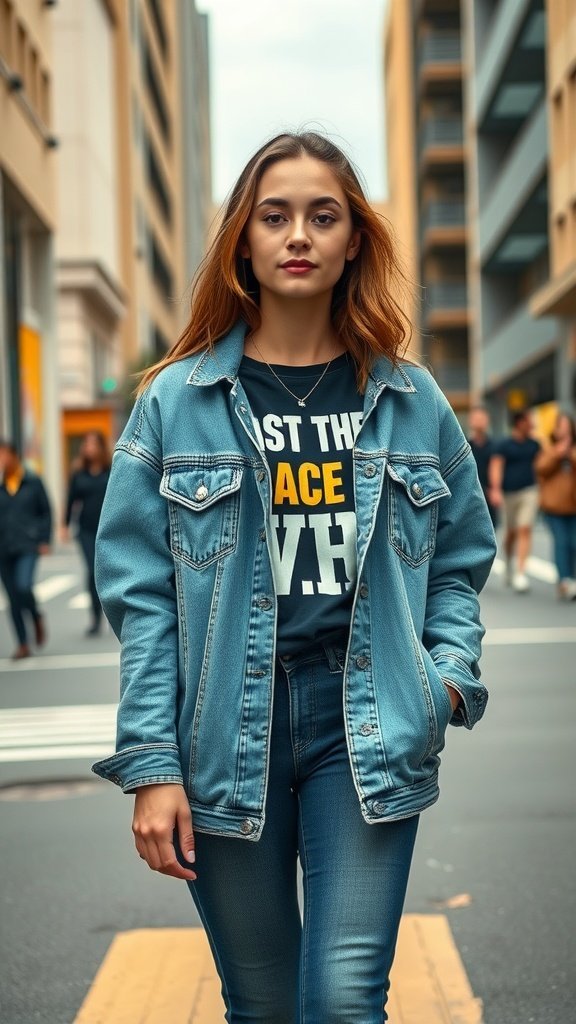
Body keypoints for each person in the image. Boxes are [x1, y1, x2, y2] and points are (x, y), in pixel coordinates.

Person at [91, 132, 496, 1023]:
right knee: (264, 1006)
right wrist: (153, 765)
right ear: (244, 238)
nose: (298, 234)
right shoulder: (175, 401)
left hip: (369, 722)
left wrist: (444, 680)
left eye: (324, 215)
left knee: (347, 1002)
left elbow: (463, 559)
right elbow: (142, 599)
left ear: (356, 239)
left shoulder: (408, 397)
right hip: (226, 731)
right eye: (275, 216)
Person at [0, 440, 52, 660]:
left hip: (27, 545)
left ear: (13, 455)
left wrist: (44, 539)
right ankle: (22, 643)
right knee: (12, 598)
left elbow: (46, 511)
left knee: (23, 586)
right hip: (3, 547)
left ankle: (35, 614)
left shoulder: (32, 480)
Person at [62, 431, 111, 635]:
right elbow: (71, 500)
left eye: (93, 444)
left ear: (101, 447)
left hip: (108, 529)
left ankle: (111, 612)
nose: (88, 448)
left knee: (107, 572)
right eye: (86, 444)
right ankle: (95, 616)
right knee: (92, 571)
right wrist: (64, 525)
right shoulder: (78, 473)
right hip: (86, 530)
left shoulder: (111, 470)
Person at [489, 410, 540, 593]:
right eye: (529, 421)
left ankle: (520, 573)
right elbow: (496, 466)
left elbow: (542, 465)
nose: (532, 424)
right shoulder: (504, 445)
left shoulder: (535, 445)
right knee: (511, 533)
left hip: (529, 491)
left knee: (524, 529)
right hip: (508, 494)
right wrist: (495, 489)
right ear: (520, 423)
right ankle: (509, 564)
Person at [535, 412, 576, 601]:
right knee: (562, 543)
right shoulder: (549, 448)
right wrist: (557, 453)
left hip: (573, 506)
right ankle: (564, 581)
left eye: (568, 427)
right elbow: (540, 468)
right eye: (562, 427)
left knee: (574, 544)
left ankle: (573, 579)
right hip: (554, 507)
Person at [468, 406, 498, 527]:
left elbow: (497, 469)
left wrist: (495, 489)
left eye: (482, 418)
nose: (479, 421)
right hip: (469, 495)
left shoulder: (494, 446)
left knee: (490, 528)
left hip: (489, 494)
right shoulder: (465, 446)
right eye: (476, 418)